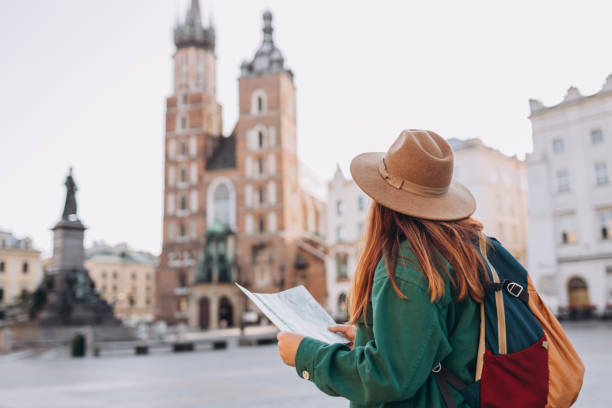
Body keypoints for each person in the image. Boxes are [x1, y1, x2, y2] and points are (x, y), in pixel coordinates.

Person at [277, 129, 490, 407]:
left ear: (383, 201)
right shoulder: (459, 249)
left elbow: (388, 378)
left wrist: (304, 354)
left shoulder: (407, 265)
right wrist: (371, 337)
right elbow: (433, 340)